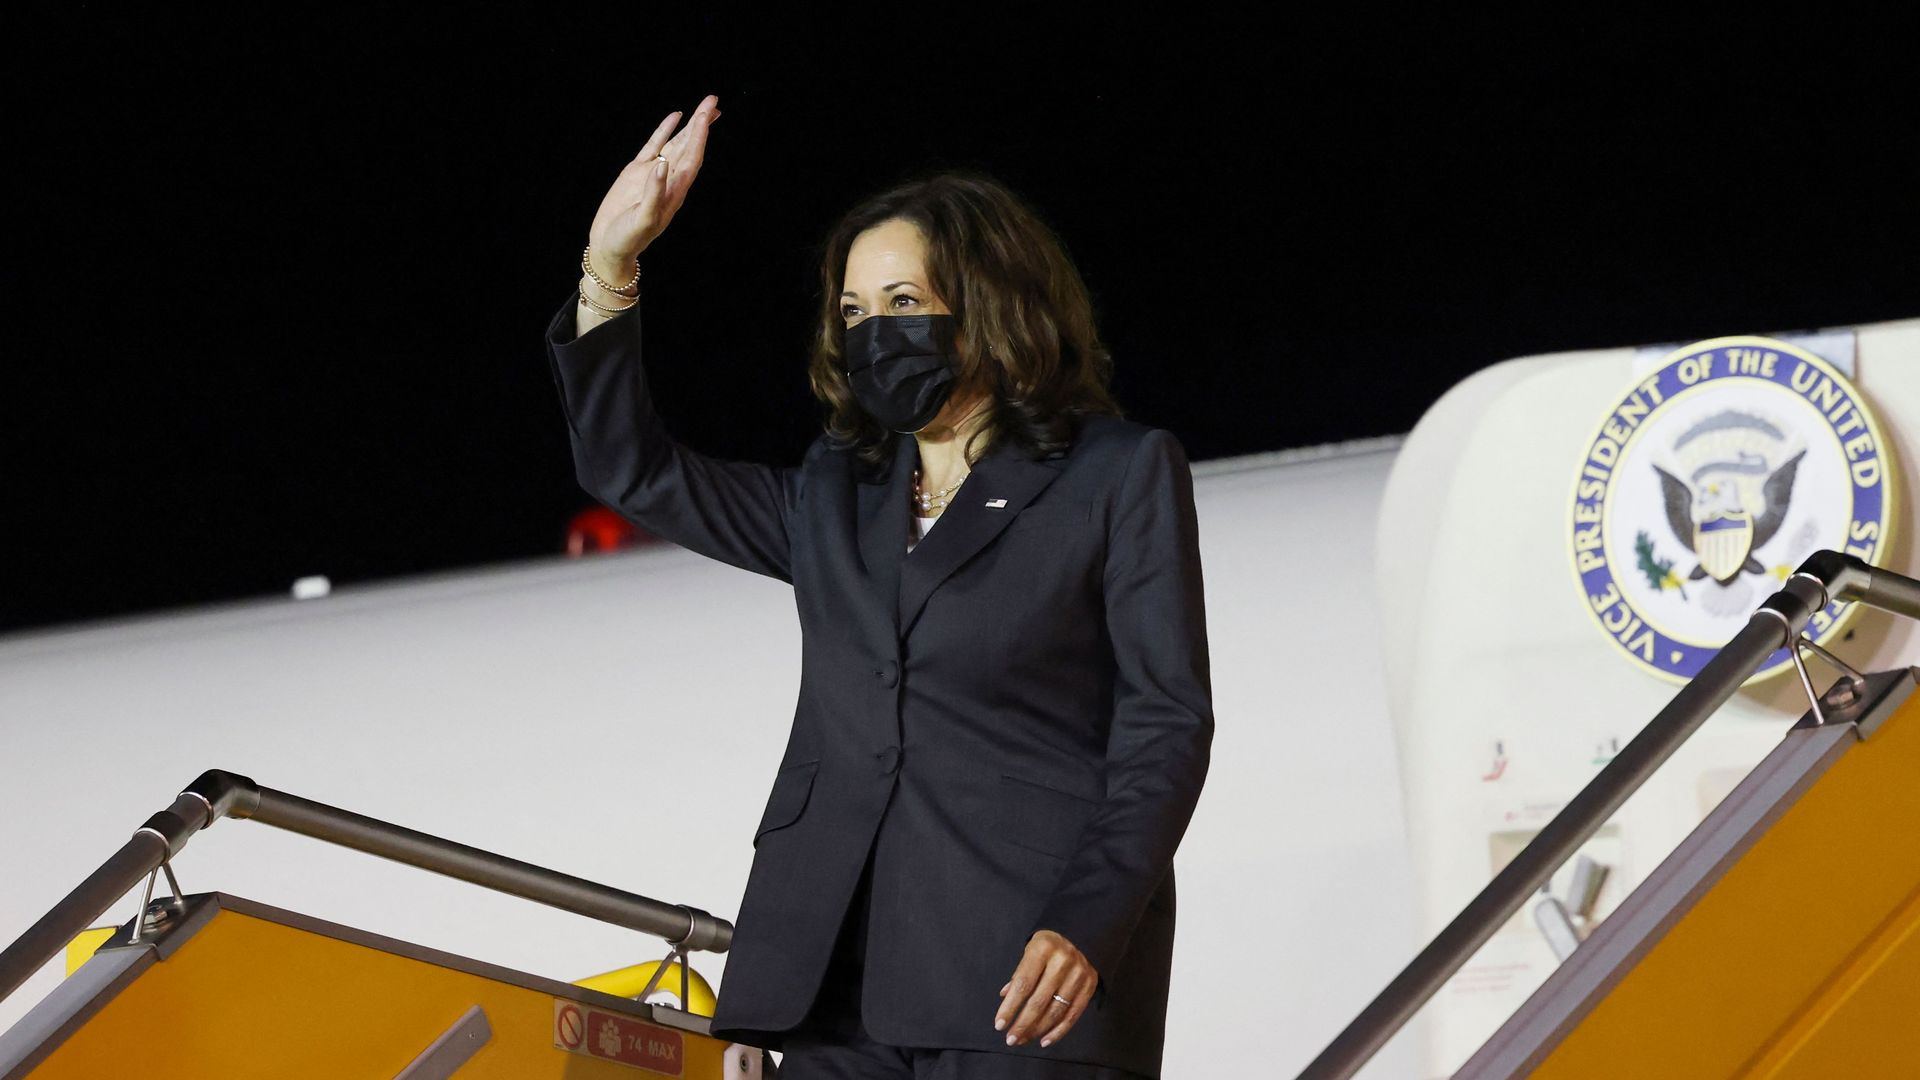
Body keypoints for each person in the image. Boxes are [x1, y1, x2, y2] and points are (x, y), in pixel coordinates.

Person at [545, 94, 1214, 1080]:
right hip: (830, 990)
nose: (873, 333)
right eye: (855, 312)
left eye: (904, 304)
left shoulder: (1115, 475)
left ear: (988, 304)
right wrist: (611, 265)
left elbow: (1167, 724)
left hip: (1023, 975)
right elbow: (632, 472)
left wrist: (1090, 922)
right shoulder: (834, 494)